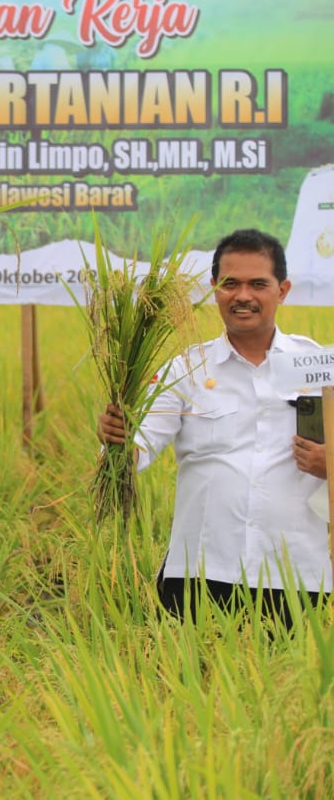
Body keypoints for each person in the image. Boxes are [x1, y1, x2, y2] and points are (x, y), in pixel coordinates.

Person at [97, 229, 330, 625]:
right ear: (214, 288)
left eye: (258, 284)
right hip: (201, 573)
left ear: (283, 289)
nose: (243, 296)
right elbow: (140, 446)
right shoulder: (185, 370)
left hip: (298, 576)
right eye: (230, 284)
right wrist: (118, 441)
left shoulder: (319, 365)